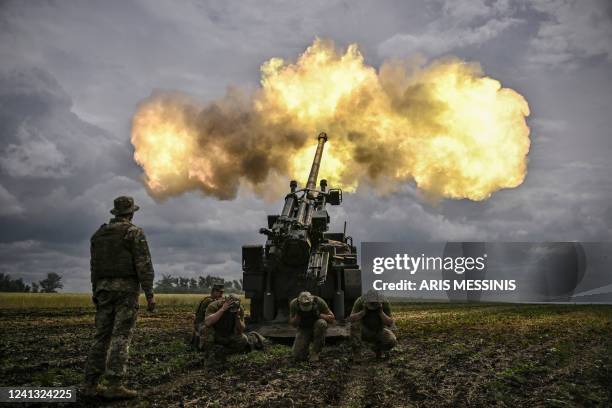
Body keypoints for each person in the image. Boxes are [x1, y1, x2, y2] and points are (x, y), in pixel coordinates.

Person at [83, 196, 155, 399]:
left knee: (101, 336)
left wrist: (95, 290)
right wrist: (149, 294)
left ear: (115, 213)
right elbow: (144, 266)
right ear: (131, 213)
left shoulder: (98, 235)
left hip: (103, 290)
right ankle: (114, 384)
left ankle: (90, 384)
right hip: (126, 291)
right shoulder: (134, 233)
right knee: (121, 336)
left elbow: (94, 267)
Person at [349, 289, 397, 359]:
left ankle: (377, 348)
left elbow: (390, 324)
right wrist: (363, 312)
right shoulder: (360, 301)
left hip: (379, 330)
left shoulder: (384, 302)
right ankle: (357, 354)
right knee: (354, 326)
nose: (373, 305)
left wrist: (381, 312)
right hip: (364, 330)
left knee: (391, 341)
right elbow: (351, 319)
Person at [289, 291, 335, 362]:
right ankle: (305, 348)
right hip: (304, 328)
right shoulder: (294, 304)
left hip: (316, 326)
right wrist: (297, 316)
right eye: (304, 307)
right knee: (298, 356)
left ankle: (315, 352)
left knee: (321, 323)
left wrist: (319, 314)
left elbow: (332, 319)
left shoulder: (318, 301)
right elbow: (293, 325)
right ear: (299, 302)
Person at [191, 282, 224, 348]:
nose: (221, 294)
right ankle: (202, 346)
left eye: (221, 292)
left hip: (198, 323)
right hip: (201, 324)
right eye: (219, 292)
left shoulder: (207, 299)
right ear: (213, 291)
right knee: (211, 334)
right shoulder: (210, 301)